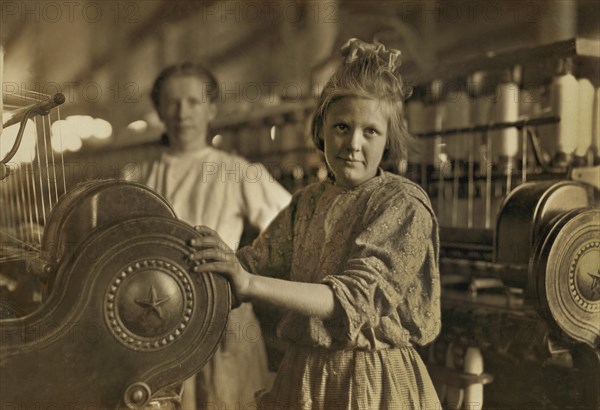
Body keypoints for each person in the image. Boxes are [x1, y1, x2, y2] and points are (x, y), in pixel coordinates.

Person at [189, 39, 442, 409]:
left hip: (371, 383)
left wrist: (248, 283)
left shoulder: (402, 204)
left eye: (370, 131)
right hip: (304, 377)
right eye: (342, 126)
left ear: (389, 140)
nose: (353, 143)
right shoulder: (308, 202)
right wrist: (212, 264)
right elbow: (251, 263)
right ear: (321, 130)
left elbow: (350, 299)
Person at [128, 62, 291, 409]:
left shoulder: (236, 171)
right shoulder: (139, 177)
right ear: (159, 110)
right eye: (171, 103)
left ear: (212, 109)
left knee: (225, 400)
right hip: (156, 320)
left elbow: (292, 231)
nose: (182, 113)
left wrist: (245, 272)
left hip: (223, 316)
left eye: (193, 102)